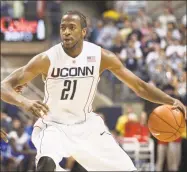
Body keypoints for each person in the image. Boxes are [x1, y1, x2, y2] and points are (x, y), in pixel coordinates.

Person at [1, 10, 186, 171]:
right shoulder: (46, 59)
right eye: (63, 27)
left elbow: (139, 86)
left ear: (83, 31)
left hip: (86, 126)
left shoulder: (100, 56)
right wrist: (25, 102)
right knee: (46, 163)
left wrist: (171, 101)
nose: (66, 32)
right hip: (53, 126)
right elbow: (4, 86)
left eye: (71, 27)